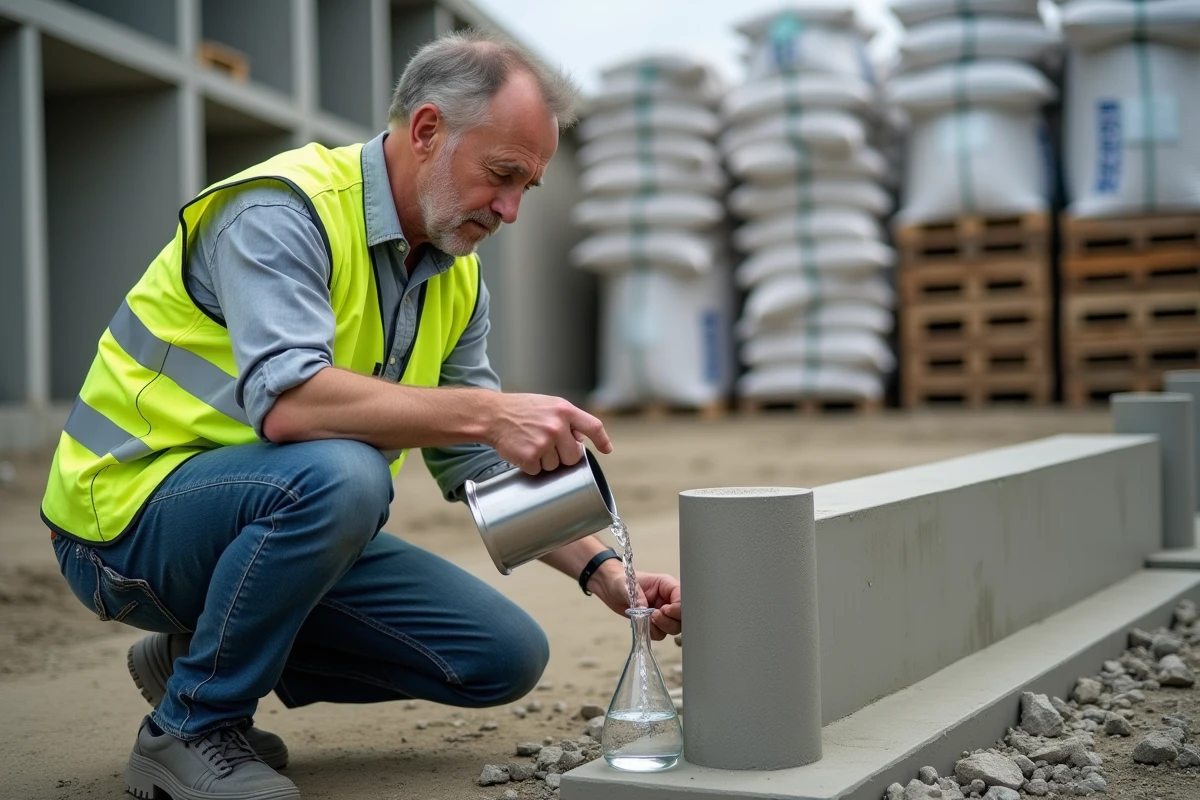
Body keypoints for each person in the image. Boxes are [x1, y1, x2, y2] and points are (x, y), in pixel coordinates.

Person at [41, 30, 682, 800]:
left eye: (527, 188)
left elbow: (477, 462)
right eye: (503, 175)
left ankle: (192, 655)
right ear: (426, 130)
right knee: (343, 475)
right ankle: (191, 726)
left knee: (501, 655)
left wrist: (604, 572)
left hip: (267, 518)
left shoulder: (456, 276)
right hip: (123, 522)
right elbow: (289, 402)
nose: (510, 209)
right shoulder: (280, 210)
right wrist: (486, 411)